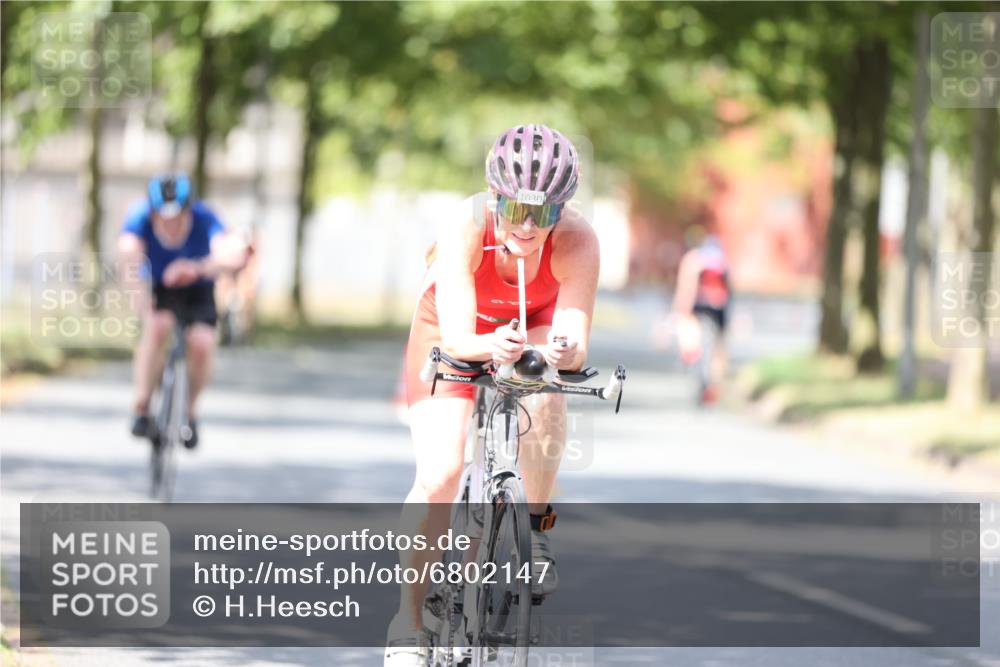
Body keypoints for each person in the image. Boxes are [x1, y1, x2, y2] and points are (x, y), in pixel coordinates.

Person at [385, 124, 600, 665]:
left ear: (563, 210)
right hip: (454, 329)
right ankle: (407, 624)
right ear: (494, 196)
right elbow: (458, 339)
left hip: (532, 332)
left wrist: (557, 347)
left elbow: (572, 347)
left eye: (544, 214)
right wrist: (491, 343)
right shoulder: (465, 223)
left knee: (548, 395)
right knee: (440, 473)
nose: (527, 227)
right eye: (513, 209)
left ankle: (535, 525)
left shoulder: (578, 242)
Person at [118, 173, 247, 449]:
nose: (171, 223)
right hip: (159, 286)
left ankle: (189, 412)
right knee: (156, 327)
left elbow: (230, 254)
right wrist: (139, 300)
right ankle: (141, 405)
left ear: (188, 209)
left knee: (202, 343)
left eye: (177, 216)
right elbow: (129, 256)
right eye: (164, 217)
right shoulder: (139, 218)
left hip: (198, 287)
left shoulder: (206, 218)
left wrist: (196, 268)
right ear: (153, 214)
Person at [673, 227, 731, 404]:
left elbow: (687, 287)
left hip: (700, 305)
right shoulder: (721, 261)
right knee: (718, 347)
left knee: (693, 338)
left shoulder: (693, 260)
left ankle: (694, 365)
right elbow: (730, 289)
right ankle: (714, 382)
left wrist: (682, 309)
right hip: (719, 306)